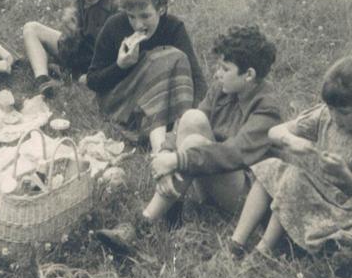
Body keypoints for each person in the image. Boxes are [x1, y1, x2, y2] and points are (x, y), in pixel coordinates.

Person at [95, 25, 281, 254]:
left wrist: (177, 161)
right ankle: (172, 203)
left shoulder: (267, 109)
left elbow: (234, 154)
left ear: (249, 74)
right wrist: (165, 152)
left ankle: (140, 225)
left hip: (244, 197)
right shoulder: (222, 90)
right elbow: (185, 123)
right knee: (193, 117)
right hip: (211, 174)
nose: (216, 73)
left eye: (225, 68)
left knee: (193, 145)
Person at [229, 54, 352, 261]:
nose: (335, 117)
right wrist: (292, 141)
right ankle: (236, 243)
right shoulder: (325, 116)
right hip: (318, 195)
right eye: (331, 109)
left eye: (344, 112)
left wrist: (345, 175)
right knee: (272, 167)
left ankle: (264, 251)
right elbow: (275, 132)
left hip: (351, 210)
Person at [87, 0, 207, 151]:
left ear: (162, 9)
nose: (138, 25)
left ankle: (177, 128)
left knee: (178, 59)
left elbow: (196, 77)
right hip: (121, 101)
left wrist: (193, 115)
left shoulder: (173, 27)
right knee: (170, 57)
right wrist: (121, 66)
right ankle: (161, 145)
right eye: (131, 16)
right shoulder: (114, 26)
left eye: (145, 16)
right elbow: (93, 81)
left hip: (158, 99)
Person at [23, 0, 119, 97]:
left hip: (99, 64)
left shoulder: (118, 4)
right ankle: (42, 80)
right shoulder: (80, 4)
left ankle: (58, 71)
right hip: (82, 55)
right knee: (30, 28)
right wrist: (70, 35)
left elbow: (115, 55)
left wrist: (83, 75)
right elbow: (70, 51)